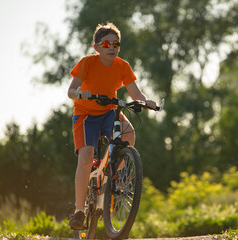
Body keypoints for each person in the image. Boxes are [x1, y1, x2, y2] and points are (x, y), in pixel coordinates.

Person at [67, 22, 156, 229]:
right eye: (106, 44)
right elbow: (71, 91)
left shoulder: (122, 66)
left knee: (129, 134)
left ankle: (116, 176)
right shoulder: (87, 63)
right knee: (86, 155)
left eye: (116, 44)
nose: (112, 47)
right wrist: (81, 93)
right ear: (96, 47)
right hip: (85, 115)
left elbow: (136, 93)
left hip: (108, 111)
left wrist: (146, 101)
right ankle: (79, 211)